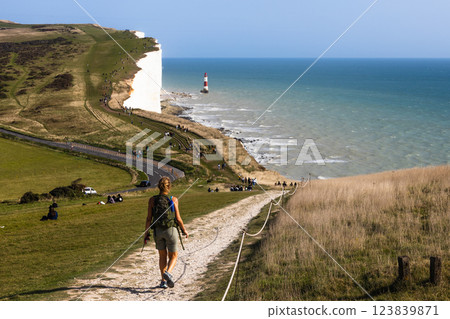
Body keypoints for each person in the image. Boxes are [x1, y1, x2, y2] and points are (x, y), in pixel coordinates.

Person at [145, 177, 188, 289]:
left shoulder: (152, 200)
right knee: (173, 256)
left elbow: (149, 218)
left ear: (159, 186)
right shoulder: (173, 199)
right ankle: (168, 273)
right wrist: (184, 230)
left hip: (157, 231)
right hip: (171, 230)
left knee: (162, 256)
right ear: (169, 186)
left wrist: (146, 233)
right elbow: (178, 218)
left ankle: (163, 281)